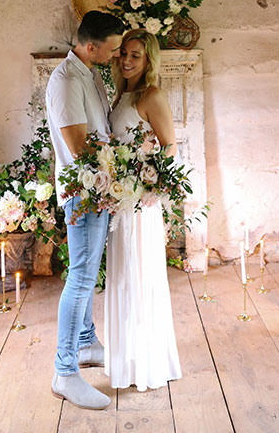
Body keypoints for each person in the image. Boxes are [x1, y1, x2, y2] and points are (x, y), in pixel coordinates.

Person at [46, 10, 124, 410]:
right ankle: (65, 372)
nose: (115, 56)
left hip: (99, 189)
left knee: (89, 273)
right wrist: (124, 160)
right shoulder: (64, 80)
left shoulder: (90, 72)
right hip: (83, 193)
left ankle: (86, 341)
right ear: (90, 45)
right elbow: (79, 146)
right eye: (111, 49)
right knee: (79, 279)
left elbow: (100, 129)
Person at [105, 28, 182, 391]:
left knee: (140, 276)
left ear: (149, 59)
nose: (126, 60)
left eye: (135, 55)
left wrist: (148, 182)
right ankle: (127, 359)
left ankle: (147, 361)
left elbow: (170, 147)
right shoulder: (123, 93)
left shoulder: (152, 95)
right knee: (122, 277)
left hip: (140, 202)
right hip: (121, 201)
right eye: (124, 53)